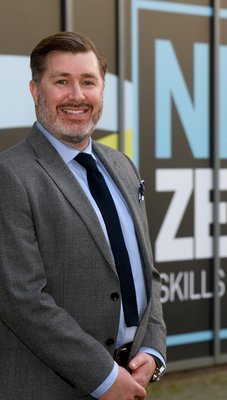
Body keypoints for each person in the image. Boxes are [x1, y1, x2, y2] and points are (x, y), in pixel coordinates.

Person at [0, 32, 166, 399]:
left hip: (130, 379)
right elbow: (21, 299)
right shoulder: (10, 175)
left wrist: (152, 348)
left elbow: (145, 272)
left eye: (88, 82)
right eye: (62, 81)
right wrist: (104, 377)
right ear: (34, 90)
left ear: (102, 90)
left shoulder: (121, 166)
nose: (77, 95)